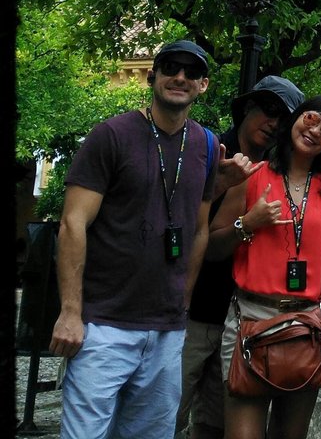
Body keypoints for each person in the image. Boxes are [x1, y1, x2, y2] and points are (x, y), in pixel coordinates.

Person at [51, 40, 219, 439]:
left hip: (167, 329)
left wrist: (184, 299)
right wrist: (71, 312)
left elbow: (199, 229)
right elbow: (73, 223)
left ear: (203, 85)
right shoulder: (111, 135)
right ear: (151, 75)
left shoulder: (206, 146)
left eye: (191, 72)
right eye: (170, 67)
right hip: (103, 325)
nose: (180, 77)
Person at [209, 96, 321, 439]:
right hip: (252, 319)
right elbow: (213, 246)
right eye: (311, 118)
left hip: (309, 325)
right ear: (295, 118)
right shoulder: (253, 176)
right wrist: (247, 223)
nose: (315, 130)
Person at [177, 74, 303, 439]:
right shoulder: (206, 149)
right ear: (247, 108)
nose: (274, 122)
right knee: (167, 413)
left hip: (242, 320)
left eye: (285, 117)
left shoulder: (280, 173)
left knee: (216, 425)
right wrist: (219, 185)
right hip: (191, 314)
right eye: (268, 109)